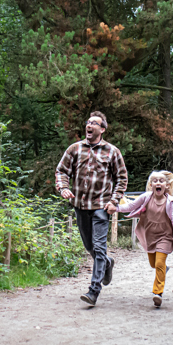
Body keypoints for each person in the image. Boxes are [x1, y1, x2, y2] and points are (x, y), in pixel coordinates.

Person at [56, 111, 128, 306]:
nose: (89, 125)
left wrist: (114, 201)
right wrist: (63, 187)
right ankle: (106, 262)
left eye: (94, 123)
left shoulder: (112, 151)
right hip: (80, 205)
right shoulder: (75, 149)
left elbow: (121, 177)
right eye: (88, 122)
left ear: (102, 129)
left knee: (98, 246)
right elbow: (62, 170)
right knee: (89, 246)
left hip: (101, 206)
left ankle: (93, 290)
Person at [115, 171, 173, 307]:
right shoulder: (146, 197)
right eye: (155, 181)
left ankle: (158, 293)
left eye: (161, 181)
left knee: (158, 264)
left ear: (167, 186)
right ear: (151, 185)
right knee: (154, 264)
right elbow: (130, 206)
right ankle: (164, 268)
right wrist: (115, 208)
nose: (158, 183)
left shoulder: (170, 202)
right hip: (150, 236)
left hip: (165, 236)